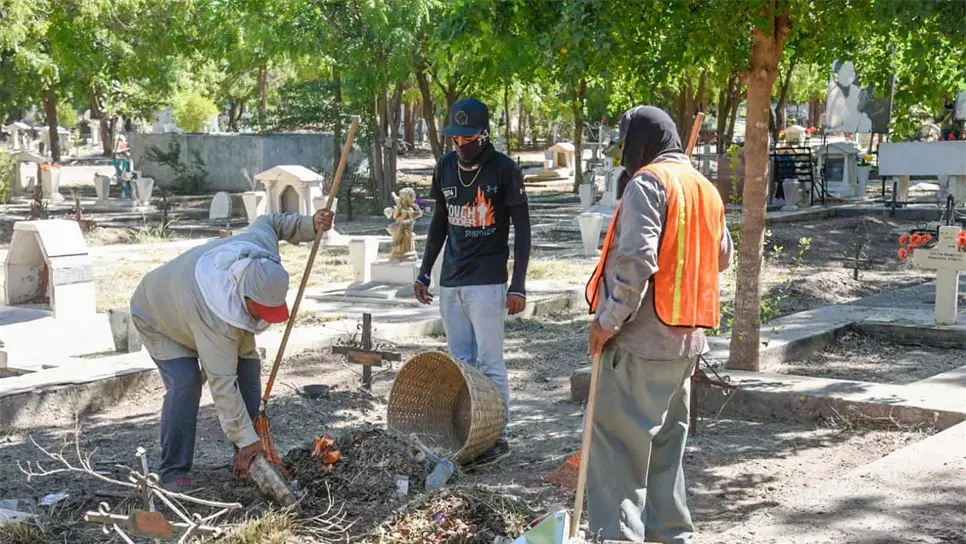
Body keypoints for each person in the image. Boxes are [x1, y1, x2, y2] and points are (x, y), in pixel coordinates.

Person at [584, 106, 732, 543]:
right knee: (666, 454)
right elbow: (721, 257)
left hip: (639, 344)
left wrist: (606, 322)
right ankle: (672, 536)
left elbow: (636, 263)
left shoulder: (648, 184)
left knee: (617, 455)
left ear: (642, 143)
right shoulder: (704, 188)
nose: (623, 158)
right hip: (685, 344)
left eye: (625, 147)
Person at [130, 209, 334, 492]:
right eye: (261, 311)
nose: (264, 318)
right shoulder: (217, 319)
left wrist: (308, 224)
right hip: (158, 316)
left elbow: (270, 223)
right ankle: (172, 471)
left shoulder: (259, 252)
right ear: (244, 296)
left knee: (249, 372)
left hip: (191, 304)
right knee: (186, 383)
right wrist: (248, 440)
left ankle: (247, 462)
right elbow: (223, 385)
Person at [413, 98, 531, 464]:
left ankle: (499, 435)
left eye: (465, 139)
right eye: (454, 139)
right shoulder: (445, 168)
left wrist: (518, 284)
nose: (458, 146)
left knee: (490, 362)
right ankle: (471, 432)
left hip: (488, 279)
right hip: (452, 280)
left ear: (483, 135)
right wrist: (424, 269)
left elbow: (523, 230)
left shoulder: (505, 170)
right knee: (460, 361)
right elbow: (439, 225)